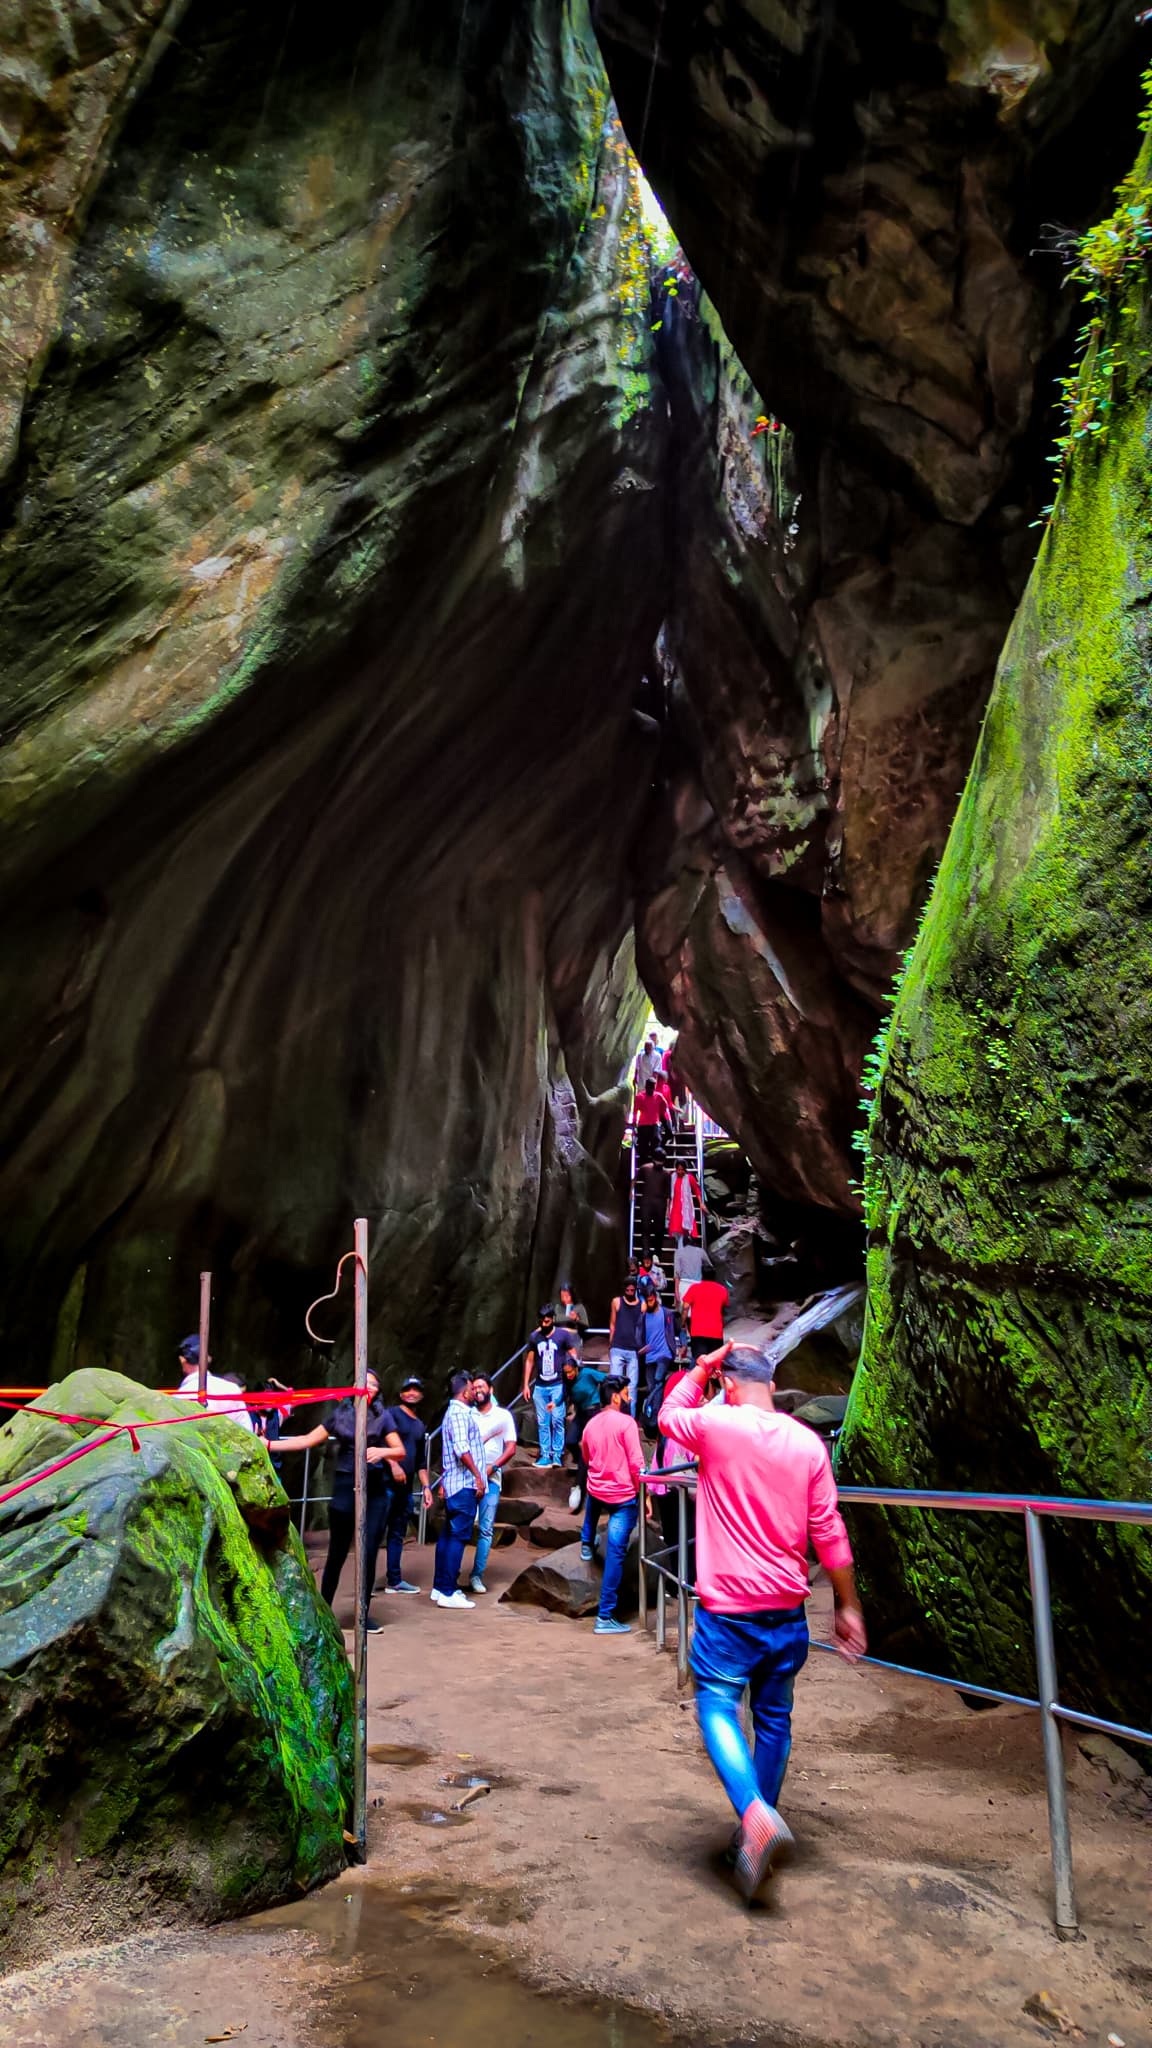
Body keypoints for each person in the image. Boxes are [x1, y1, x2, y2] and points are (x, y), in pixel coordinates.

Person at [659, 1342, 867, 1901]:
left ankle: (754, 1815)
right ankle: (753, 1836)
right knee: (773, 1718)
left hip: (729, 1612)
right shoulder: (807, 1442)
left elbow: (667, 1415)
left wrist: (701, 1367)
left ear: (728, 1385)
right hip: (786, 1609)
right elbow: (829, 1530)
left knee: (717, 1706)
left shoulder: (717, 1424)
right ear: (771, 1385)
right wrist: (847, 1605)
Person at [274, 1370, 407, 1635]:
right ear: (353, 1387)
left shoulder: (383, 1416)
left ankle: (363, 1615)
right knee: (336, 1553)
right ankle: (322, 1611)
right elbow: (306, 1440)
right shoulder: (340, 1415)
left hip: (375, 1489)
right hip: (346, 1485)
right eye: (363, 1383)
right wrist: (267, 1444)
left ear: (377, 1391)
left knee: (368, 1552)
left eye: (372, 1384)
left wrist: (383, 1452)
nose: (367, 1387)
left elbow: (400, 1450)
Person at [580, 1376, 643, 1636]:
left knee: (592, 1498)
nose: (628, 1398)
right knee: (616, 1554)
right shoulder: (626, 1423)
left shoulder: (590, 1425)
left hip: (598, 1488)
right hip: (623, 1496)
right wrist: (644, 1495)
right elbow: (637, 1463)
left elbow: (586, 1454)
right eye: (626, 1393)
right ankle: (604, 1616)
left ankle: (586, 1542)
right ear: (615, 1397)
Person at [432, 1371, 487, 1610]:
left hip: (455, 1483)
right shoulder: (458, 1414)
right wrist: (477, 1476)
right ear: (465, 1391)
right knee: (458, 1536)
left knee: (448, 1534)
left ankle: (439, 1586)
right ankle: (448, 1591)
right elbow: (461, 1448)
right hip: (463, 1484)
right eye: (472, 1388)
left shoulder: (455, 1413)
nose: (475, 1392)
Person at [380, 1375, 433, 1594]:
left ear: (421, 1395)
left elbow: (421, 1461)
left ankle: (394, 1580)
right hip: (385, 1483)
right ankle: (363, 1581)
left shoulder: (419, 1425)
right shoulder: (391, 1414)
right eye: (408, 1390)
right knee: (374, 1532)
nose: (412, 1393)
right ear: (401, 1393)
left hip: (406, 1488)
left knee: (397, 1534)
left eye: (416, 1390)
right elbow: (380, 1442)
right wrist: (393, 1465)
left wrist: (426, 1487)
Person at [467, 1372, 517, 1594]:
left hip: (492, 1477)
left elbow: (511, 1447)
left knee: (486, 1529)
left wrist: (493, 1467)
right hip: (467, 1476)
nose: (478, 1390)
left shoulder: (503, 1416)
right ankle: (450, 1574)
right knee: (461, 1525)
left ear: (491, 1390)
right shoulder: (468, 1415)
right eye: (474, 1387)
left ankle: (476, 1575)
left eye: (481, 1387)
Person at [521, 1305, 579, 1469]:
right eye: (542, 1321)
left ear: (552, 1319)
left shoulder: (562, 1335)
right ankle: (545, 1454)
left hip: (558, 1383)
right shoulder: (535, 1337)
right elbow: (530, 1360)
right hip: (540, 1385)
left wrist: (574, 1371)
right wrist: (526, 1384)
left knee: (557, 1420)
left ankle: (557, 1455)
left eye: (547, 1320)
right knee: (543, 1421)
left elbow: (573, 1354)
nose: (545, 1323)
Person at [175, 1337, 256, 1433]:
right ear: (208, 1358)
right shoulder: (231, 1389)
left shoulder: (178, 1398)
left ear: (182, 1359)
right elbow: (247, 1432)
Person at [563, 1353, 606, 1511]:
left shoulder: (587, 1373)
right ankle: (578, 1457)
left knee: (587, 1447)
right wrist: (555, 1403)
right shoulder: (567, 1382)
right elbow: (564, 1396)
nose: (569, 1375)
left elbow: (605, 1378)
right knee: (571, 1441)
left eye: (570, 1371)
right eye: (566, 1372)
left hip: (593, 1412)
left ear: (576, 1368)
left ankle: (580, 1485)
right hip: (580, 1414)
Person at [607, 1276, 644, 1412]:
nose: (630, 1290)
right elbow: (612, 1324)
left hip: (633, 1350)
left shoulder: (641, 1305)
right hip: (617, 1347)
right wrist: (610, 1345)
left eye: (632, 1288)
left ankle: (630, 1417)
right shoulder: (616, 1302)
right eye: (627, 1288)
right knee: (614, 1384)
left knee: (632, 1387)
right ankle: (614, 1414)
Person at [638, 1284, 676, 1404]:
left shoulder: (666, 1313)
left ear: (655, 1298)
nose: (649, 1303)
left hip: (664, 1354)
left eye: (651, 1300)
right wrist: (639, 1350)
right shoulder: (643, 1317)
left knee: (658, 1380)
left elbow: (679, 1329)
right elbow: (637, 1334)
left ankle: (656, 1414)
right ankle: (652, 1413)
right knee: (651, 1386)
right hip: (649, 1356)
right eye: (647, 1301)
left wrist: (683, 1344)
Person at [682, 1266, 729, 1358]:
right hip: (716, 1333)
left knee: (700, 1363)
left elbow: (685, 1307)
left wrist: (683, 1323)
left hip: (698, 1332)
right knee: (714, 1364)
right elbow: (724, 1308)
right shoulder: (722, 1290)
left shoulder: (694, 1288)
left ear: (702, 1275)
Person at [636, 1158, 670, 1261]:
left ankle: (657, 1252)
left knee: (659, 1229)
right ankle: (646, 1252)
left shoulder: (666, 1174)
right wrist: (631, 1191)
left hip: (660, 1204)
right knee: (645, 1228)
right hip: (647, 1203)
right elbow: (635, 1179)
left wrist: (668, 1208)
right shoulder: (645, 1168)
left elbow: (668, 1193)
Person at [633, 1078, 671, 1165]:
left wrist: (661, 1115)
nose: (651, 1090)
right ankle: (644, 1163)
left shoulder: (659, 1096)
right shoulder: (639, 1097)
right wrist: (634, 1123)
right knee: (643, 1145)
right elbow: (635, 1111)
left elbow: (664, 1107)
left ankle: (655, 1162)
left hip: (654, 1124)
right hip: (643, 1125)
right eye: (649, 1087)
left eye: (653, 1087)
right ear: (646, 1087)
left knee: (656, 1142)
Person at [668, 1165, 703, 1243]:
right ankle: (679, 1248)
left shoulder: (689, 1177)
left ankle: (686, 1247)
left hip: (686, 1208)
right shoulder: (672, 1177)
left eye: (682, 1170)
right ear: (676, 1169)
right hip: (675, 1208)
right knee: (676, 1231)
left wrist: (701, 1203)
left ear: (685, 1170)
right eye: (678, 1170)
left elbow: (697, 1190)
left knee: (686, 1230)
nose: (680, 1172)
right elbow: (668, 1194)